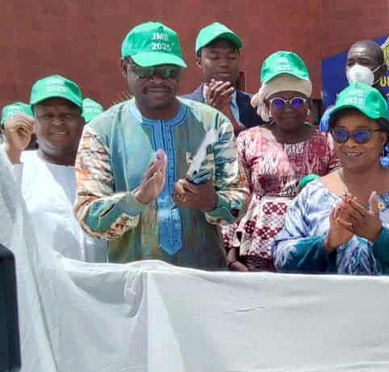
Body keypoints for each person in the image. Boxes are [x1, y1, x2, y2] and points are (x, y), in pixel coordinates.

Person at [75, 21, 248, 269]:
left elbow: (239, 201)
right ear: (125, 67)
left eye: (168, 71)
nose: (157, 79)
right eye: (146, 70)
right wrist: (137, 200)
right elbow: (88, 217)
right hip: (135, 281)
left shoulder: (213, 124)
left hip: (204, 277)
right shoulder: (101, 132)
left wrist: (211, 201)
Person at [274, 82, 389, 276]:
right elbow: (281, 258)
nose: (350, 143)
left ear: (383, 138)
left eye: (361, 135)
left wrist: (381, 237)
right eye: (341, 134)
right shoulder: (313, 194)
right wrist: (326, 243)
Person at [227, 51, 340, 272]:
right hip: (257, 249)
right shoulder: (248, 140)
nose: (288, 108)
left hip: (310, 246)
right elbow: (235, 196)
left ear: (308, 104)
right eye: (278, 102)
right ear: (267, 105)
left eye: (296, 101)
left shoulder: (328, 143)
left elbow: (338, 196)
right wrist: (230, 251)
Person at [4, 76, 105, 262]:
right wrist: (12, 150)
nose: (57, 122)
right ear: (33, 123)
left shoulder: (103, 169)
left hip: (102, 278)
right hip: (39, 280)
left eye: (67, 115)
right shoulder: (17, 167)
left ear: (82, 122)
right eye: (47, 116)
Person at [319, 40, 389, 183]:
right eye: (351, 63)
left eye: (364, 62)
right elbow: (323, 167)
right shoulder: (330, 116)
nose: (356, 69)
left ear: (382, 70)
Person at [182, 22, 262, 133]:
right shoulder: (182, 108)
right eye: (214, 57)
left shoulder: (258, 107)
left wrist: (233, 125)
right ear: (199, 61)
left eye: (231, 57)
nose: (224, 63)